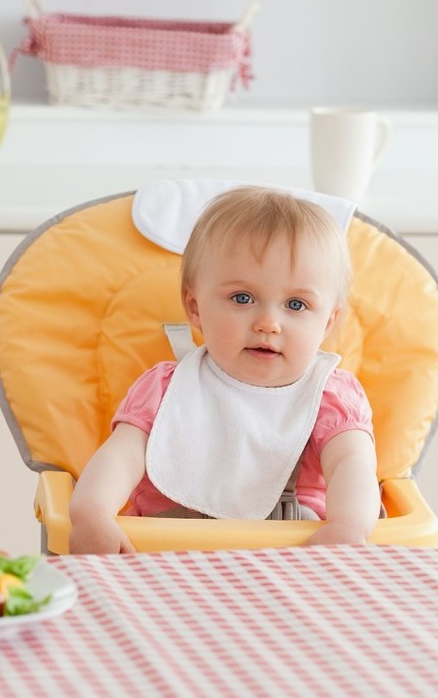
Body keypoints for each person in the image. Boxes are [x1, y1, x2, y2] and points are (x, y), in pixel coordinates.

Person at [68, 186, 381, 554]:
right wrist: (92, 512)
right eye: (242, 298)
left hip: (293, 564)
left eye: (296, 304)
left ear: (327, 323)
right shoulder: (167, 388)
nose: (268, 323)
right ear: (196, 307)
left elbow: (352, 463)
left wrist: (348, 525)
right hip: (164, 558)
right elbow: (122, 454)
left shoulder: (330, 396)